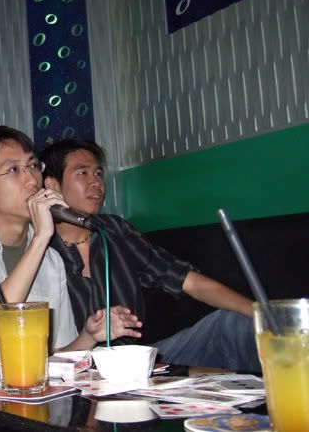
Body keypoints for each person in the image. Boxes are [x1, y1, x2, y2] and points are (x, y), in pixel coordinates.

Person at [0, 126, 141, 432]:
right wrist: (40, 238)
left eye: (34, 166)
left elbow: (53, 359)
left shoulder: (50, 261)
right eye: (13, 170)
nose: (32, 179)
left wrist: (90, 335)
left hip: (23, 408)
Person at [40, 138, 260, 372]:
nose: (96, 183)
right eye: (82, 173)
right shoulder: (39, 248)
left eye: (98, 173)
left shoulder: (114, 231)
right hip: (75, 373)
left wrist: (263, 313)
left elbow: (187, 281)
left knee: (235, 324)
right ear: (53, 185)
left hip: (139, 364)